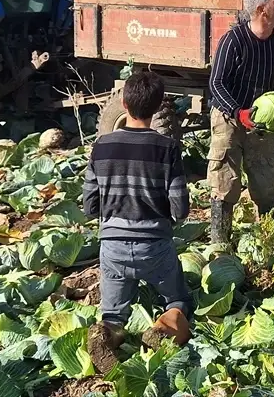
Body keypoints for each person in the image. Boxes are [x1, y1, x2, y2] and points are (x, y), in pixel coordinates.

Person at [82, 70, 192, 372]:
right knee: (178, 301)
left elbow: (90, 205)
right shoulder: (167, 148)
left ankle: (106, 336)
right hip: (155, 247)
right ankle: (160, 331)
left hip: (112, 248)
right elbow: (179, 207)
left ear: (123, 102)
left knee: (113, 314)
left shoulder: (101, 146)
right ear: (158, 107)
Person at [207, 0, 274, 245]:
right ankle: (220, 243)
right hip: (230, 115)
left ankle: (269, 239)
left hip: (262, 120)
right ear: (263, 10)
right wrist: (239, 113)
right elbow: (216, 83)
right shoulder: (234, 40)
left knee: (265, 180)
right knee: (225, 179)